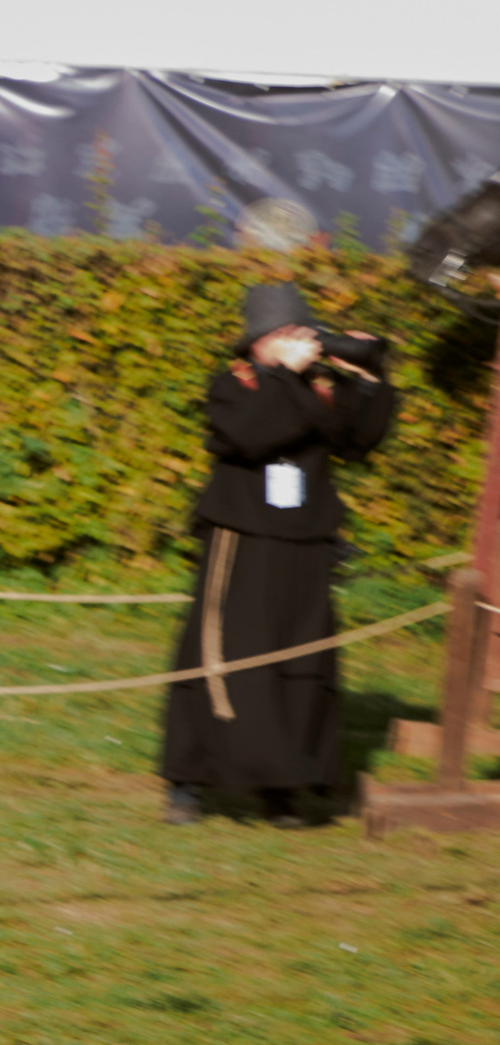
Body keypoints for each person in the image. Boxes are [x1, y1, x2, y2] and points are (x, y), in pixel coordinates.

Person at [161, 282, 396, 827]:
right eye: (285, 336)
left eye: (301, 334)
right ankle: (190, 781)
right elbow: (252, 435)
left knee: (300, 663)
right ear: (258, 343)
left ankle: (285, 783)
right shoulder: (234, 384)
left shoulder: (319, 388)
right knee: (224, 657)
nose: (298, 344)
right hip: (242, 537)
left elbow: (359, 440)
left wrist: (369, 378)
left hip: (306, 542)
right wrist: (288, 377)